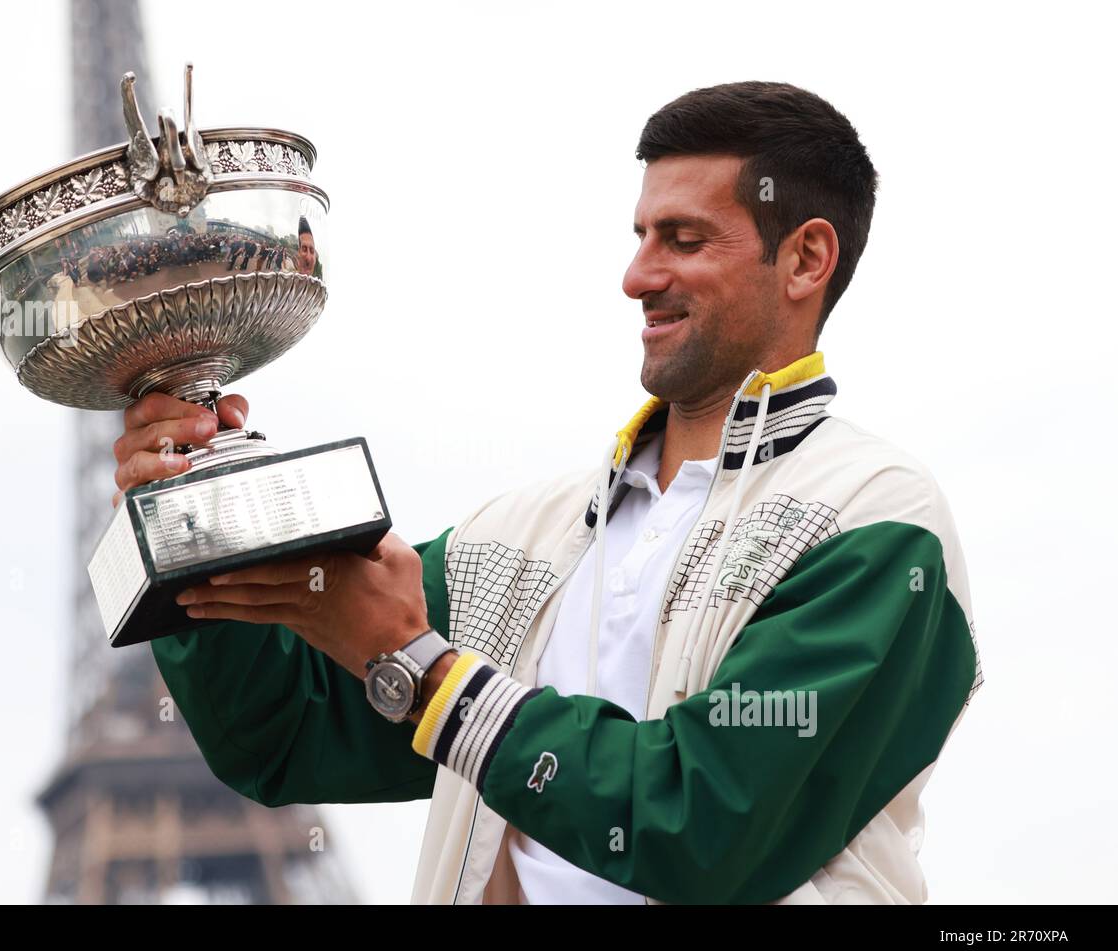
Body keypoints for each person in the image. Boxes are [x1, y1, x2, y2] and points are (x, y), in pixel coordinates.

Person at [112, 81, 981, 905]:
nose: (637, 277)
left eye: (683, 240)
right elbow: (282, 734)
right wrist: (193, 509)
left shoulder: (877, 519)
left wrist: (426, 673)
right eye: (640, 236)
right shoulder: (525, 535)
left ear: (806, 259)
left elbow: (704, 825)